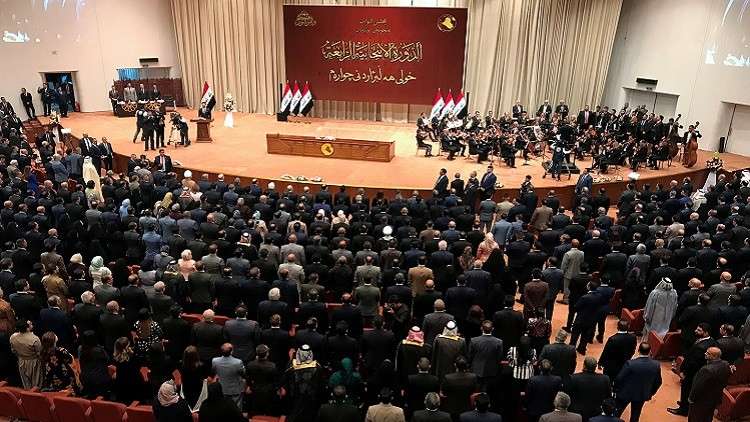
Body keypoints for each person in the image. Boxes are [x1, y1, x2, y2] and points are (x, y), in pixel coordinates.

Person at [613, 343, 661, 422]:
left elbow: (619, 378)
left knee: (617, 413)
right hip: (641, 394)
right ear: (650, 351)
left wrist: (616, 389)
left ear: (638, 350)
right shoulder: (656, 365)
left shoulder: (630, 363)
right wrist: (650, 392)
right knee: (635, 415)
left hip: (625, 393)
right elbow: (658, 382)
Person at [687, 346, 731, 422]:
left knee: (695, 418)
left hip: (701, 401)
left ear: (714, 356)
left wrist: (691, 398)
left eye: (708, 353)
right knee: (708, 417)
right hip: (714, 399)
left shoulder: (706, 370)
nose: (705, 353)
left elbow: (698, 386)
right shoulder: (725, 364)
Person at [282, 345, 325, 422]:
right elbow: (320, 384)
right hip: (309, 398)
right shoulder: (318, 367)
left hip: (296, 397)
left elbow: (285, 381)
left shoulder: (291, 366)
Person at [566, 356, 611, 422]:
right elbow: (608, 396)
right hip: (595, 413)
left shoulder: (573, 378)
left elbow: (568, 394)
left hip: (577, 413)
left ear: (584, 365)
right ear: (595, 367)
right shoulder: (605, 379)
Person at [211, 343, 245, 410]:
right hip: (235, 390)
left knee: (223, 409)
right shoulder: (238, 362)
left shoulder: (215, 361)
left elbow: (214, 371)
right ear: (231, 351)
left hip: (222, 389)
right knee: (236, 410)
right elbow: (243, 374)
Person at [10, 320, 43, 389]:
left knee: (25, 382)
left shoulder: (12, 337)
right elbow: (39, 352)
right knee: (36, 383)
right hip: (33, 361)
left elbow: (13, 350)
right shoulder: (34, 339)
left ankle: (27, 394)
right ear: (27, 328)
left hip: (21, 360)